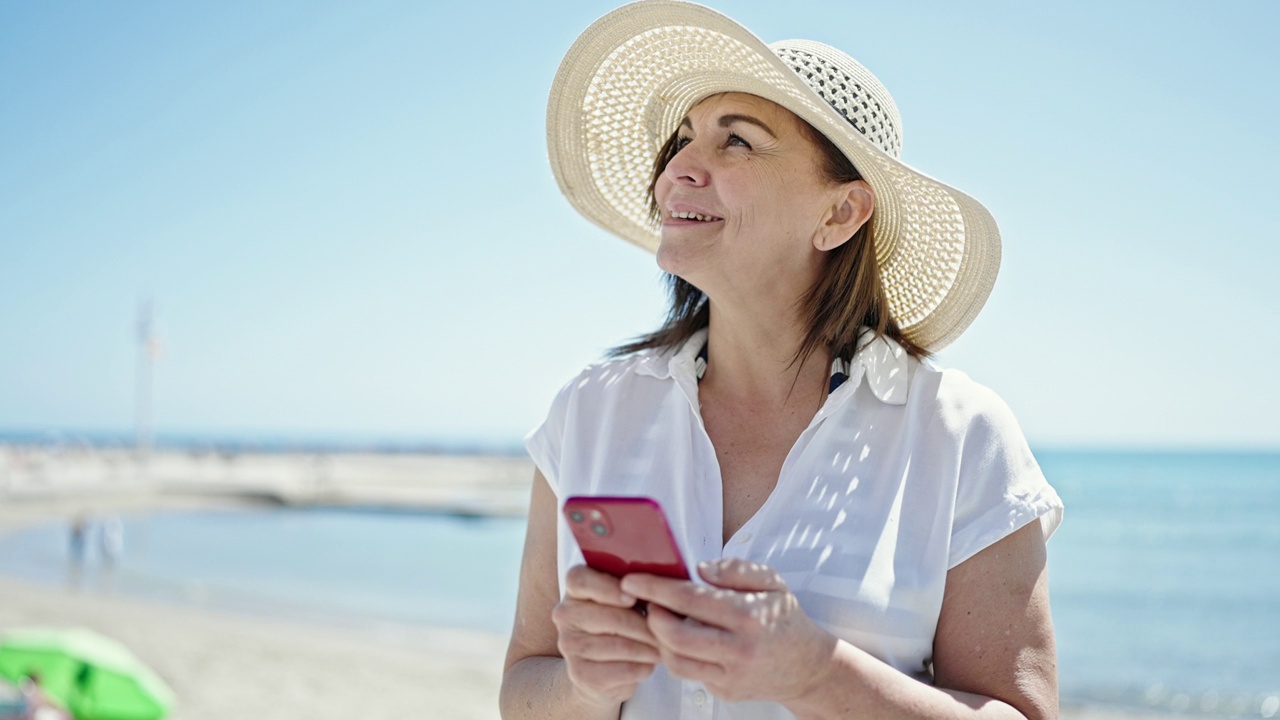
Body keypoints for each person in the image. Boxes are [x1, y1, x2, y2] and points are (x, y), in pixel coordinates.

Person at [502, 2, 1064, 719]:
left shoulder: (960, 435)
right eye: (681, 139)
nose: (678, 168)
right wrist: (587, 684)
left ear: (839, 214)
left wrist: (815, 674)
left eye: (736, 141)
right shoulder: (590, 412)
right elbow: (523, 688)